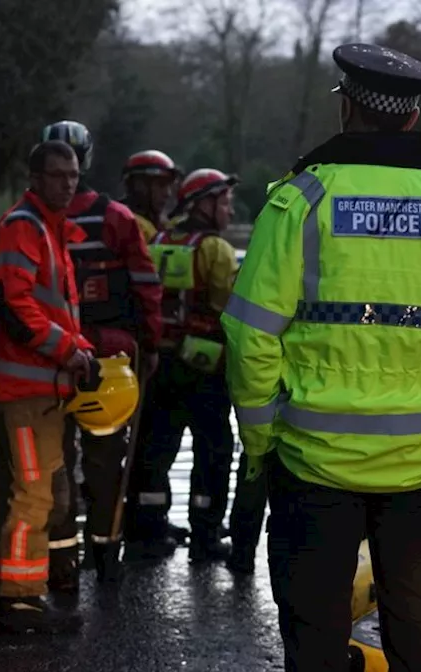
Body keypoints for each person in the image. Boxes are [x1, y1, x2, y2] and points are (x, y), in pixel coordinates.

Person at [223, 44, 421, 670]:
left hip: (310, 465)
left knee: (313, 638)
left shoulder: (299, 201)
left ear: (349, 111)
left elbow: (250, 335)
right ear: (412, 119)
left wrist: (262, 440)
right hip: (419, 471)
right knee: (418, 637)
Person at [0, 140, 93, 634]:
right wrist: (70, 351)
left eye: (74, 175)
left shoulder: (46, 229)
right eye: (58, 174)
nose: (68, 182)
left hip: (35, 389)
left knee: (11, 489)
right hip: (27, 392)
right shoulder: (26, 227)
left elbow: (50, 308)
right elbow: (14, 304)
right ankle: (19, 600)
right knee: (35, 493)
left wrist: (81, 348)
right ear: (36, 178)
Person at [39, 120, 163, 588]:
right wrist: (150, 344)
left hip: (49, 357)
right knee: (107, 461)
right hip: (111, 361)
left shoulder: (29, 219)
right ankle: (106, 551)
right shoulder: (116, 218)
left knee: (52, 461)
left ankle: (61, 559)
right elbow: (145, 286)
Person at [125, 168, 239, 564]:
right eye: (224, 202)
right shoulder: (216, 251)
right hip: (204, 369)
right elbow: (232, 308)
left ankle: (149, 526)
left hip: (161, 363)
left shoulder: (159, 239)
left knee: (156, 448)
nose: (229, 209)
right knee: (214, 450)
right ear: (202, 205)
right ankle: (206, 532)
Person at [120, 150, 179, 241]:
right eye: (161, 185)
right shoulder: (129, 224)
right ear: (139, 185)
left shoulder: (163, 225)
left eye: (169, 186)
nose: (168, 193)